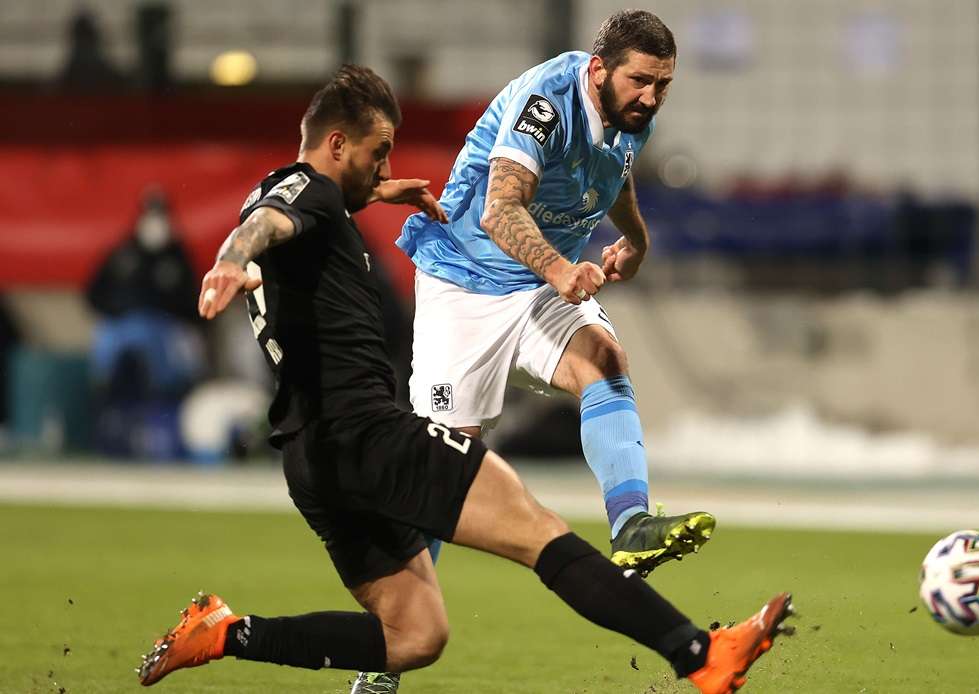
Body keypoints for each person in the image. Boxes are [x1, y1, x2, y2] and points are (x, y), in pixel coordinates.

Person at [135, 64, 792, 694]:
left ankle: (225, 633)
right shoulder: (299, 198)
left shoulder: (298, 195)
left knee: (414, 635)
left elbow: (287, 215)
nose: (387, 169)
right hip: (369, 435)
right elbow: (266, 226)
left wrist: (376, 194)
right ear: (337, 143)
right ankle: (702, 656)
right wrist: (228, 261)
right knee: (541, 534)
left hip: (312, 461)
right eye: (378, 153)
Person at [397, 9, 711, 578]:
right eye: (640, 80)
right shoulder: (543, 105)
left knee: (605, 360)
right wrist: (562, 270)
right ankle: (387, 651)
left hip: (539, 286)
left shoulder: (633, 115)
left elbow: (611, 168)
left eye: (663, 83)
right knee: (440, 470)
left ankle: (632, 526)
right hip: (464, 284)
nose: (651, 96)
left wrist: (635, 239)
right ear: (597, 71)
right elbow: (499, 210)